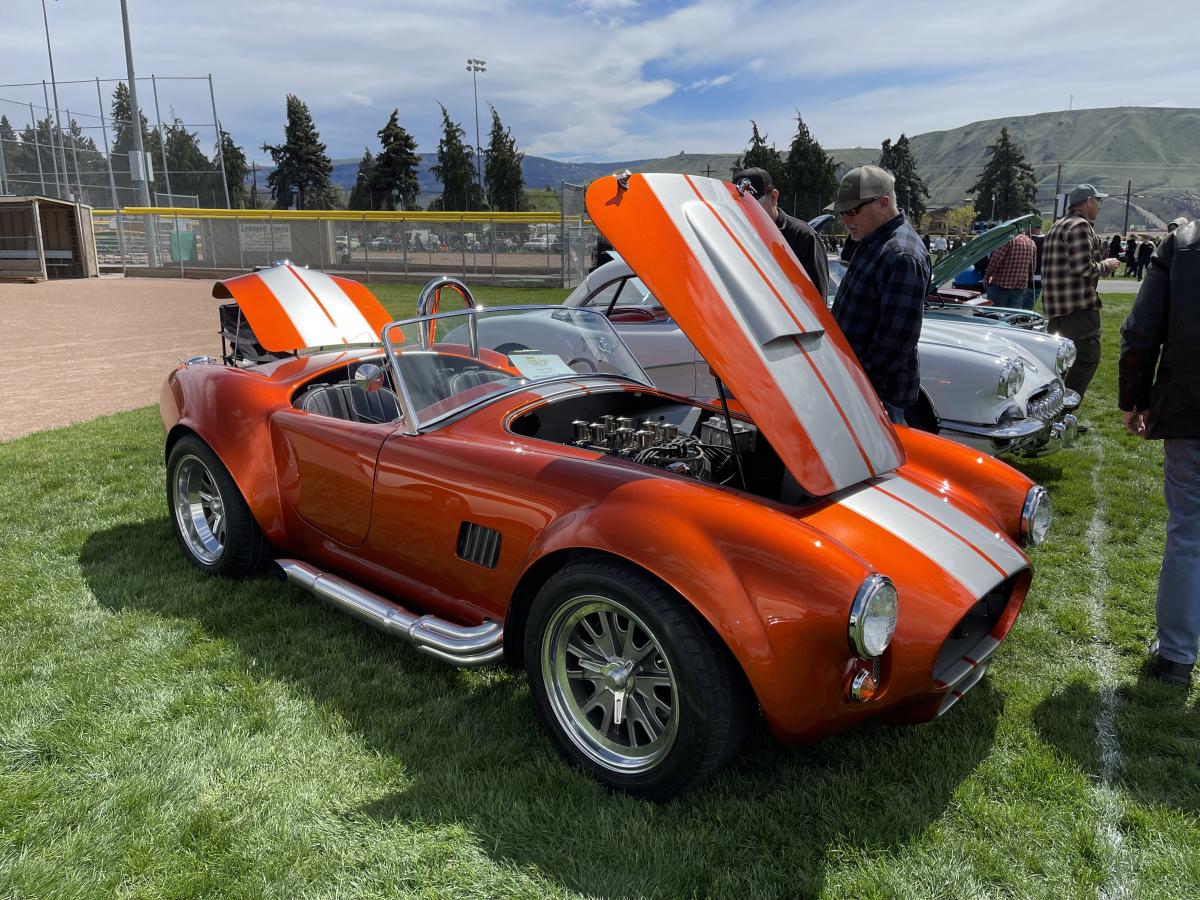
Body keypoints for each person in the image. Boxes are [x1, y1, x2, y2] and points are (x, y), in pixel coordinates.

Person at [1118, 220, 1200, 685]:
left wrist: (1134, 398)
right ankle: (1175, 653)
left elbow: (1142, 329)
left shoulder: (1183, 245)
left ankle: (1176, 655)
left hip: (1190, 409)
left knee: (1189, 533)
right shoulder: (1180, 245)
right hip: (1188, 409)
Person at [826, 165, 928, 425]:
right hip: (857, 386)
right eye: (841, 212)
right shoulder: (873, 240)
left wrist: (856, 382)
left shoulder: (902, 255)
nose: (845, 219)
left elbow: (895, 340)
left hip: (875, 396)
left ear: (883, 203)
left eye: (852, 211)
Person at [1041, 184, 1120, 425]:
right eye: (1098, 201)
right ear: (1088, 201)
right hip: (1078, 306)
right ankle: (1063, 415)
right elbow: (1082, 268)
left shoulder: (1057, 225)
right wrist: (1107, 264)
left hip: (1056, 306)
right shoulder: (1080, 226)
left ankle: (1046, 413)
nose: (1099, 206)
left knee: (1059, 363)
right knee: (1087, 358)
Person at [731, 168, 829, 300]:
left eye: (754, 205)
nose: (747, 213)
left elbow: (817, 300)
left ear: (773, 197)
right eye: (740, 207)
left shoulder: (803, 236)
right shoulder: (736, 236)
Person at [983, 229, 1037, 309]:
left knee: (993, 313)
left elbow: (995, 260)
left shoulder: (1008, 240)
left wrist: (987, 276)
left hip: (1001, 284)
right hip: (1019, 286)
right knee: (1013, 314)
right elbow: (1032, 267)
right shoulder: (1032, 243)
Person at [1028, 219, 1045, 306]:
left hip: (1027, 279)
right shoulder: (1048, 240)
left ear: (1031, 227)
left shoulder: (1028, 240)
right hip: (1041, 279)